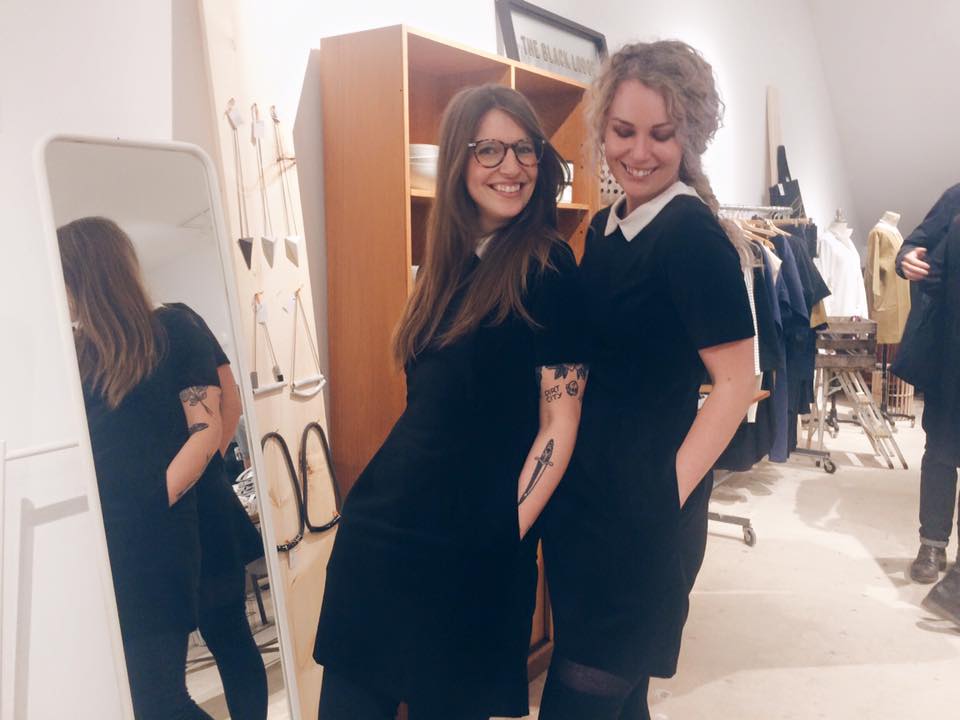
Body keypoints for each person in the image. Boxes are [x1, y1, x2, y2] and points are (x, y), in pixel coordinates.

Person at [312, 84, 586, 720]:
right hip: (382, 537)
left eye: (524, 149)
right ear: (459, 161)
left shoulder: (547, 268)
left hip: (473, 548)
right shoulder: (446, 268)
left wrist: (505, 530)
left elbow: (560, 421)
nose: (511, 167)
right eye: (489, 149)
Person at [538, 41, 757, 720]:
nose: (639, 152)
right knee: (620, 700)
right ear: (602, 132)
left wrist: (664, 492)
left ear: (690, 135)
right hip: (586, 509)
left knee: (581, 698)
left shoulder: (691, 235)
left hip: (640, 521)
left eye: (661, 134)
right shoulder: (606, 228)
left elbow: (736, 384)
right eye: (623, 131)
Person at [58, 217, 221, 720]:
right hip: (99, 543)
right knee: (131, 697)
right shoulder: (77, 354)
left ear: (86, 276)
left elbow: (206, 431)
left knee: (158, 700)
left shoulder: (172, 329)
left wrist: (150, 503)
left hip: (155, 540)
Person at [171, 304, 269, 720]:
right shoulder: (180, 322)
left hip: (198, 506)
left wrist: (207, 461)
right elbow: (231, 404)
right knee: (225, 634)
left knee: (227, 632)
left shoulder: (178, 322)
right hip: (192, 501)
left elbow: (230, 404)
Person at [897, 186, 960, 612]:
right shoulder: (957, 198)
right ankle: (932, 544)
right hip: (951, 351)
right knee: (941, 449)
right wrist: (908, 259)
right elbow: (914, 244)